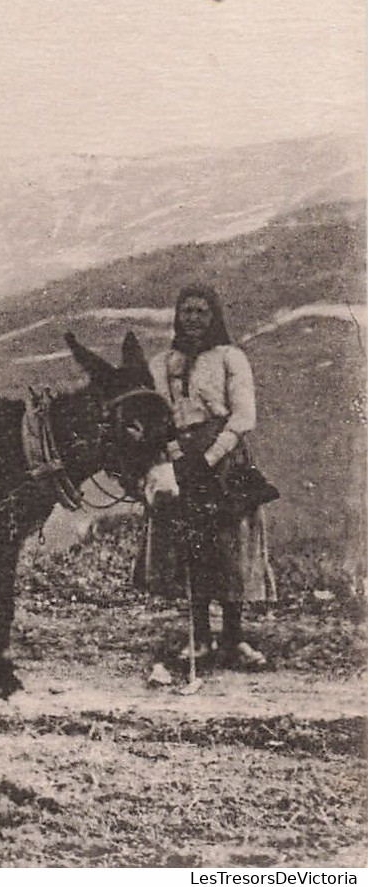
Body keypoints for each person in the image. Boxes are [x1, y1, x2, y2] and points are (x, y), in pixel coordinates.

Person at [138, 284, 278, 672]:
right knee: (191, 544)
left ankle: (233, 638)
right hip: (181, 459)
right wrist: (178, 455)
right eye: (187, 311)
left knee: (230, 546)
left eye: (202, 312)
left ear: (214, 317)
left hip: (226, 461)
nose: (194, 319)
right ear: (177, 316)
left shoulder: (231, 358)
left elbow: (244, 415)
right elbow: (159, 418)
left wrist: (213, 456)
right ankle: (199, 637)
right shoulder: (161, 364)